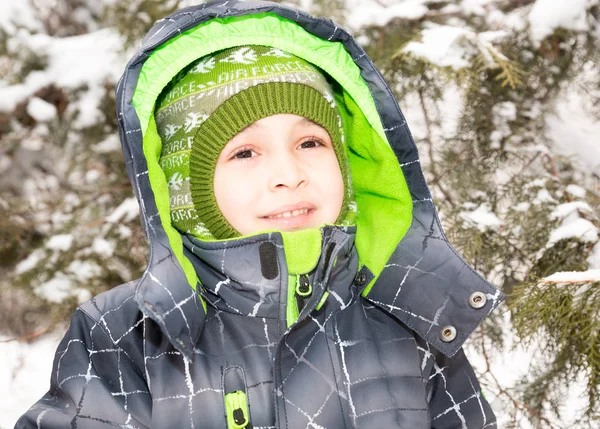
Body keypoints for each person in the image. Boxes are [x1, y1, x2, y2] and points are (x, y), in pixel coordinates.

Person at [16, 1, 504, 428]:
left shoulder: (404, 314)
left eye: (310, 141)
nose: (289, 174)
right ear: (185, 186)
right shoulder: (124, 335)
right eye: (245, 152)